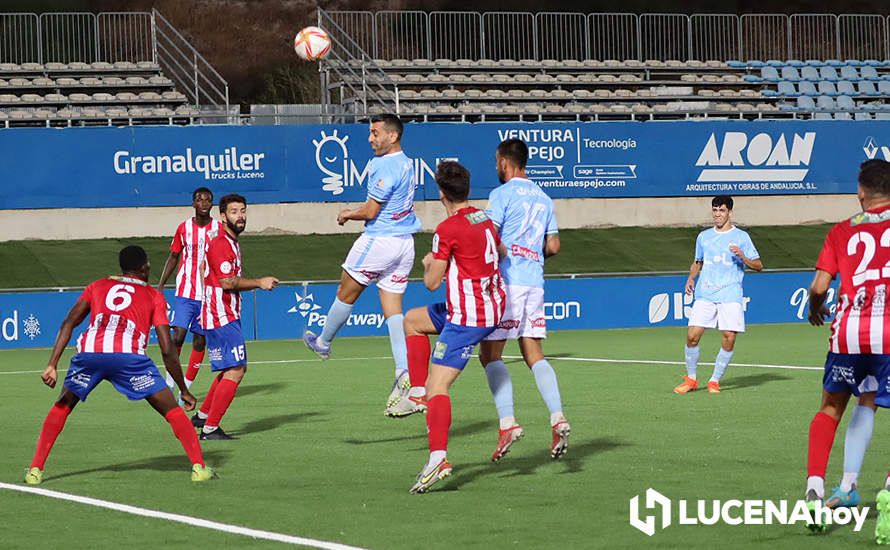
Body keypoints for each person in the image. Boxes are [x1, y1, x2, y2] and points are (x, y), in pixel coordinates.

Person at [23, 245, 215, 484]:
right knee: (172, 410)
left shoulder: (97, 285)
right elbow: (167, 348)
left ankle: (34, 470)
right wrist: (183, 390)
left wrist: (52, 364)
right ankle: (199, 467)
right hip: (129, 358)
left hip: (91, 354)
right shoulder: (153, 296)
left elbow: (68, 322)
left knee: (63, 405)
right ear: (145, 268)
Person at [303, 113, 422, 413]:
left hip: (379, 241)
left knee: (346, 292)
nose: (370, 138)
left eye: (375, 133)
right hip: (405, 243)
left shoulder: (384, 165)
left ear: (392, 136)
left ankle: (324, 342)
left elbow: (370, 211)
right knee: (393, 309)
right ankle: (402, 371)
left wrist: (347, 213)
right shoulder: (408, 162)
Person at [400, 160, 506, 494]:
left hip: (469, 316)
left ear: (440, 192)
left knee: (439, 387)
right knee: (412, 321)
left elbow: (431, 282)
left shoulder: (446, 230)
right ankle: (416, 394)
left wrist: (428, 263)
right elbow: (500, 252)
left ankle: (438, 458)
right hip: (487, 303)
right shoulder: (483, 216)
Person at [804, 159, 890, 541]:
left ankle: (820, 488)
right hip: (888, 331)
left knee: (836, 406)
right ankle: (887, 491)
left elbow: (820, 287)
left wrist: (815, 309)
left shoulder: (841, 231)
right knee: (870, 398)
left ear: (860, 192)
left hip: (848, 335)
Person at [479, 138, 570, 462]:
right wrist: (532, 252)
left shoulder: (501, 195)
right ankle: (557, 415)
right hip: (535, 283)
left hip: (508, 282)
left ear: (505, 161)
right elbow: (555, 246)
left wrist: (505, 252)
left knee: (490, 355)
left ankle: (507, 422)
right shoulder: (544, 198)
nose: (496, 166)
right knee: (534, 353)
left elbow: (491, 236)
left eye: (497, 161)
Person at [191, 194, 279, 440]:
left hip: (220, 312)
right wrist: (259, 282)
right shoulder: (221, 242)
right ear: (222, 216)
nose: (240, 216)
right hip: (221, 315)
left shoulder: (228, 240)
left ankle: (202, 416)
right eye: (233, 212)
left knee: (229, 367)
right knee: (237, 370)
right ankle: (210, 429)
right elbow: (228, 282)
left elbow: (203, 270)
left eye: (242, 211)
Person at [673, 196, 763, 394]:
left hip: (730, 294)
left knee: (729, 337)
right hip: (705, 293)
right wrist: (690, 278)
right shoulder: (704, 237)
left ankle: (714, 380)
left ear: (730, 212)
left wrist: (742, 256)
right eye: (715, 210)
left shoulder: (741, 237)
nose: (717, 215)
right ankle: (691, 379)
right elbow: (698, 261)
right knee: (692, 336)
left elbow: (758, 266)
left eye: (721, 211)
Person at [157, 187, 221, 400]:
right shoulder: (183, 228)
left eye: (207, 200)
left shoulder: (219, 229)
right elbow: (173, 257)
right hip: (185, 291)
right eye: (199, 199)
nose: (203, 203)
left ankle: (185, 388)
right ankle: (170, 384)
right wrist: (160, 285)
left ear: (212, 204)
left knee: (200, 341)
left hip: (209, 294)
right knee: (177, 337)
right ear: (193, 203)